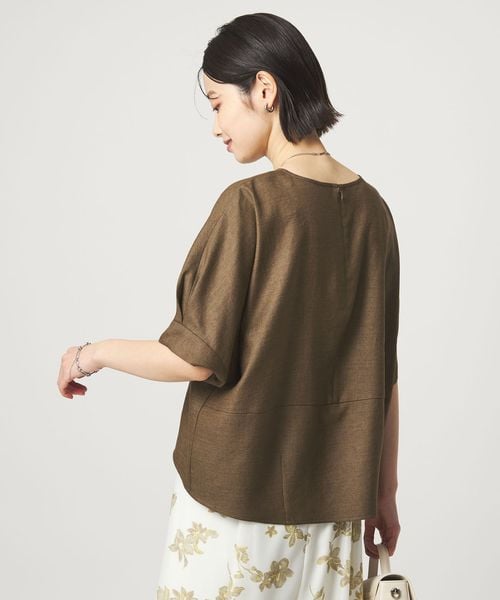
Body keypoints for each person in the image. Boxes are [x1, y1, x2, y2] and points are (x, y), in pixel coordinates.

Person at [57, 12, 400, 599]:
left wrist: (92, 354)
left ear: (264, 89)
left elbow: (194, 355)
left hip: (236, 503)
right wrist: (384, 494)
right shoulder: (374, 212)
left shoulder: (251, 206)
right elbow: (383, 375)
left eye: (218, 103)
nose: (216, 126)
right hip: (338, 508)